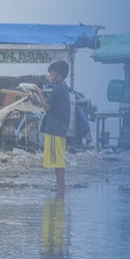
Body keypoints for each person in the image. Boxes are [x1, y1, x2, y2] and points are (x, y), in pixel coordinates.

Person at [35, 60, 74, 197]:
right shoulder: (62, 89)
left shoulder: (59, 90)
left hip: (56, 129)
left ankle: (60, 186)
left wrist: (39, 92)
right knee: (58, 158)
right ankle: (59, 185)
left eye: (51, 75)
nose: (49, 77)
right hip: (59, 128)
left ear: (58, 76)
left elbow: (46, 106)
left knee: (58, 160)